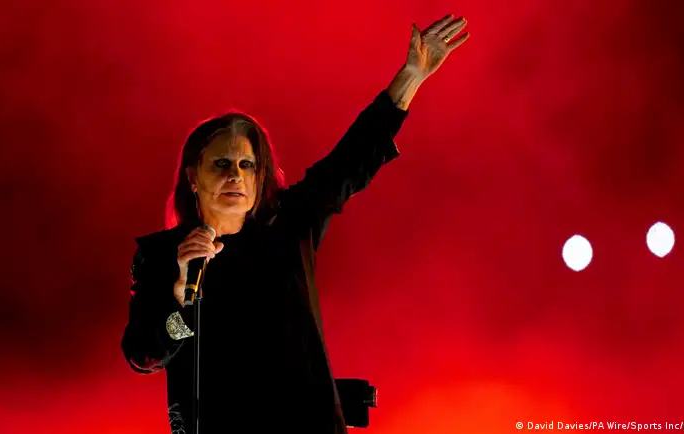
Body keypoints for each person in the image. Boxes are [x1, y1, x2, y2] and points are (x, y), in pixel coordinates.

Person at [121, 13, 470, 434]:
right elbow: (143, 356)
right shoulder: (161, 256)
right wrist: (179, 295)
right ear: (194, 177)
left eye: (247, 165)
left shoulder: (287, 227)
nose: (235, 176)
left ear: (260, 176)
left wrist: (411, 77)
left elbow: (350, 161)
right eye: (221, 164)